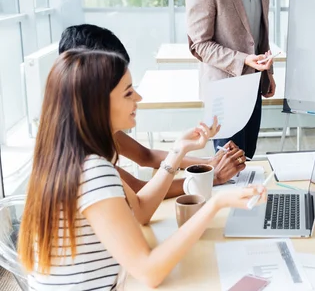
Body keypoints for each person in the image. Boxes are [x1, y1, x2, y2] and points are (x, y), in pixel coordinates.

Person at [18, 49, 267, 290]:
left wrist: (178, 150)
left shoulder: (69, 159)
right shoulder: (93, 172)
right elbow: (150, 272)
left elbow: (140, 211)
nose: (138, 98)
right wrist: (216, 204)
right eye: (128, 93)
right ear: (97, 105)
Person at [59, 24, 246, 198]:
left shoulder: (90, 122)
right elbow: (140, 194)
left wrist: (208, 164)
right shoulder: (84, 155)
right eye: (126, 91)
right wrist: (212, 177)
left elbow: (145, 156)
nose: (138, 98)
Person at [186, 0, 275, 159]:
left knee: (247, 157)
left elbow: (259, 32)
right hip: (223, 90)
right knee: (227, 164)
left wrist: (268, 73)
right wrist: (242, 60)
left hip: (253, 85)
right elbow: (199, 45)